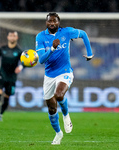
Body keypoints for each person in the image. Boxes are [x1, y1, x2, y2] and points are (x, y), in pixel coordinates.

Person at [35, 12, 94, 145]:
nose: (52, 23)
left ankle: (66, 115)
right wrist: (52, 48)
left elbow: (83, 34)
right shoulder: (40, 37)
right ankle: (58, 133)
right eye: (49, 21)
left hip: (65, 71)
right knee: (51, 108)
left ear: (58, 22)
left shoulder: (67, 32)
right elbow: (41, 60)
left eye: (54, 21)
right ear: (46, 23)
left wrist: (90, 54)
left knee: (59, 94)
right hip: (49, 75)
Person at [0, 31, 23, 122]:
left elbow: (24, 62)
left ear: (16, 38)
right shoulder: (2, 49)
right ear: (8, 37)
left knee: (7, 96)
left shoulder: (19, 51)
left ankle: (0, 114)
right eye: (10, 35)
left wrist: (21, 67)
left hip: (12, 77)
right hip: (2, 74)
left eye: (14, 36)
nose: (12, 37)